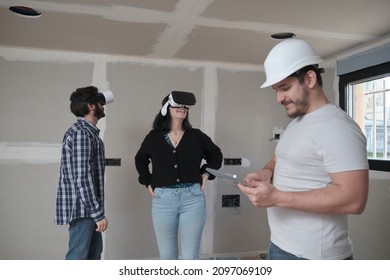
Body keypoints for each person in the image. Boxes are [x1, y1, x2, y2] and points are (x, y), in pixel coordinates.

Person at [237, 38, 369, 260]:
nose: (279, 98)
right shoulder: (297, 123)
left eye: (285, 88)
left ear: (309, 79)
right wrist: (265, 173)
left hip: (314, 256)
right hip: (281, 245)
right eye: (276, 90)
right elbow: (279, 159)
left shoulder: (337, 127)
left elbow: (354, 199)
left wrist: (276, 197)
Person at [135, 91, 223, 260]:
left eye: (185, 106)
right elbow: (140, 160)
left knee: (190, 257)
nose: (183, 109)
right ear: (166, 108)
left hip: (193, 200)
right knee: (167, 257)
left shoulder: (196, 136)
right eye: (178, 105)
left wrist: (206, 174)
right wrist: (148, 182)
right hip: (163, 201)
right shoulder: (153, 138)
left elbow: (215, 154)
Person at [55, 86, 114, 260]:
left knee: (92, 257)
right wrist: (98, 214)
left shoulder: (87, 133)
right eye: (99, 102)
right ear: (90, 106)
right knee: (78, 259)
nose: (103, 105)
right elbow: (82, 177)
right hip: (84, 212)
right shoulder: (82, 133)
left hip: (87, 211)